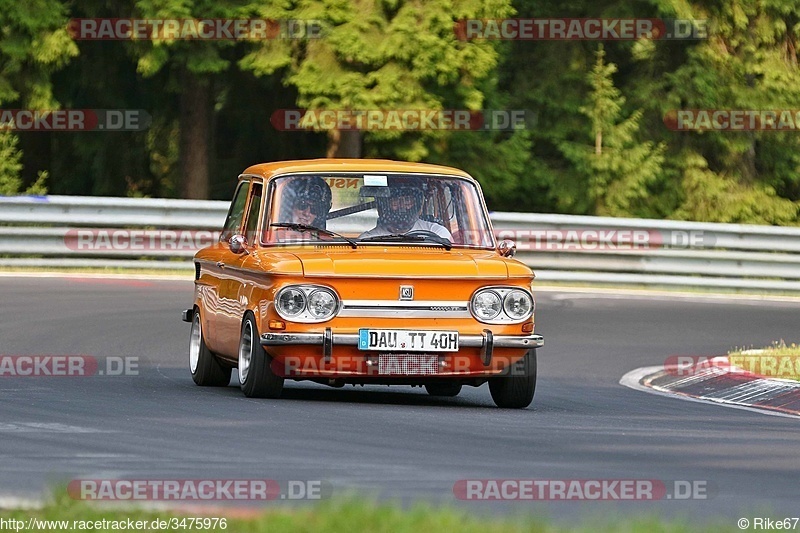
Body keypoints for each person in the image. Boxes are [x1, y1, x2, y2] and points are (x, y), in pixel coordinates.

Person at [359, 178, 452, 240]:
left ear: (417, 204)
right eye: (395, 201)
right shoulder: (367, 239)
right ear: (384, 206)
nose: (402, 205)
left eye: (407, 200)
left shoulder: (438, 234)